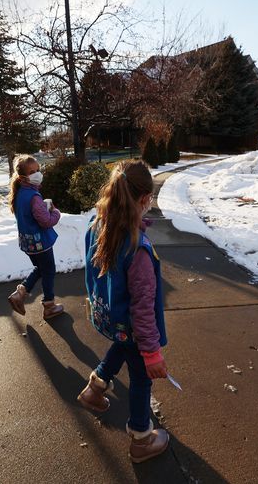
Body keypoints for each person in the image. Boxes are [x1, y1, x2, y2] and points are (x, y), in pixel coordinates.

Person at [78, 159, 170, 463]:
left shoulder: (98, 226)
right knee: (141, 377)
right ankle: (142, 438)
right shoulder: (137, 249)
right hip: (131, 324)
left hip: (111, 318)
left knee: (122, 344)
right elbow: (143, 310)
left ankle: (96, 387)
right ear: (144, 200)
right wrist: (152, 352)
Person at [6, 155, 64, 320]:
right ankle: (49, 306)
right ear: (23, 177)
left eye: (38, 170)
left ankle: (20, 293)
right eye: (32, 172)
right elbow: (46, 222)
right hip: (41, 243)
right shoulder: (34, 197)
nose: (37, 174)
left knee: (41, 269)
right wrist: (55, 212)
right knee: (49, 271)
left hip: (28, 243)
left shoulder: (19, 194)